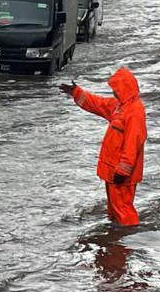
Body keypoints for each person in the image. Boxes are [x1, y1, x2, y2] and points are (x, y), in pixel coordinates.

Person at [59, 67, 148, 227]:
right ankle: (117, 239)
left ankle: (127, 239)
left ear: (124, 89)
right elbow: (98, 104)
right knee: (116, 210)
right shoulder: (120, 106)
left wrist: (123, 170)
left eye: (116, 89)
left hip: (121, 173)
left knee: (123, 209)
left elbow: (132, 144)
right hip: (114, 170)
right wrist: (76, 92)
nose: (113, 92)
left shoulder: (134, 111)